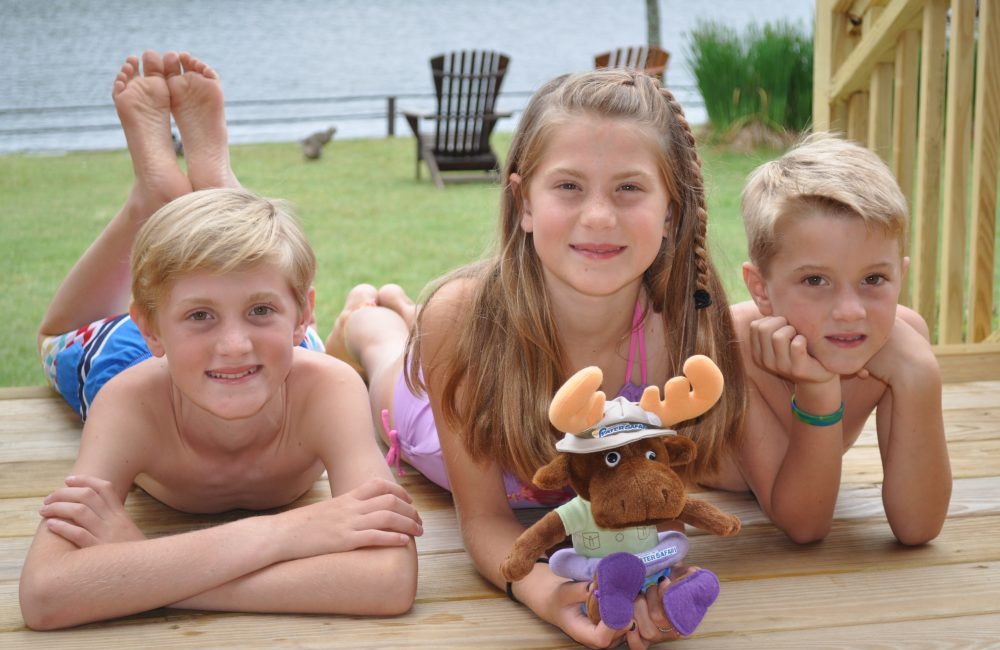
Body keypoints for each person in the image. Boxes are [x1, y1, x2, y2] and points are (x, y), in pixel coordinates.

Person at [327, 69, 747, 648]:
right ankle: (369, 318)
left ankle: (397, 311)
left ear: (672, 213)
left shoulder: (682, 334)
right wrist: (548, 593)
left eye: (629, 188)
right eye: (569, 187)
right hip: (446, 426)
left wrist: (654, 578)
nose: (599, 216)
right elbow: (484, 522)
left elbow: (654, 503)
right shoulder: (462, 322)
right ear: (523, 202)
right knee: (386, 363)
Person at [19, 51, 421, 630]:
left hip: (282, 367)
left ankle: (209, 191)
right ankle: (152, 196)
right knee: (56, 341)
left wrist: (135, 570)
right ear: (151, 327)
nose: (233, 343)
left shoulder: (327, 387)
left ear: (304, 314)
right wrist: (296, 530)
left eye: (261, 309)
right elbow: (46, 596)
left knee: (258, 308)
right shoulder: (125, 401)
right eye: (201, 315)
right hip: (136, 366)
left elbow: (389, 581)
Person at [714, 133, 951, 546]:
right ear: (761, 289)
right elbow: (805, 526)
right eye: (815, 280)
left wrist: (920, 377)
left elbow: (919, 528)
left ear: (901, 277)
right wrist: (818, 392)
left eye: (873, 279)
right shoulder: (732, 347)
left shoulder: (901, 349)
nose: (850, 311)